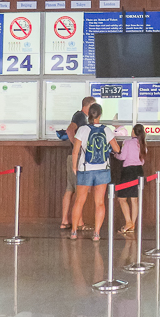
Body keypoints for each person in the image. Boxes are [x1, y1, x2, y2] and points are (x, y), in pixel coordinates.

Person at [69, 103, 121, 240]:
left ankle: (74, 232)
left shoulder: (82, 130)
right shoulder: (107, 130)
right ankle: (96, 234)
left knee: (79, 201)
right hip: (102, 170)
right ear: (100, 115)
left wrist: (74, 167)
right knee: (100, 202)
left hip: (85, 169)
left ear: (89, 115)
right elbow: (117, 149)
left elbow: (75, 151)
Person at [60, 96, 96, 230]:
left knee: (70, 189)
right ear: (89, 106)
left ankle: (65, 221)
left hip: (72, 157)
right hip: (77, 157)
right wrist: (77, 145)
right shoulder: (81, 116)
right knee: (79, 189)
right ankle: (79, 223)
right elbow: (70, 130)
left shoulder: (79, 116)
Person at [113, 124, 147, 234]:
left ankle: (128, 222)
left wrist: (114, 155)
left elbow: (122, 157)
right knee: (134, 200)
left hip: (128, 172)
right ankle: (132, 224)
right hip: (139, 171)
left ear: (133, 132)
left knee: (122, 198)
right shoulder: (143, 144)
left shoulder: (127, 142)